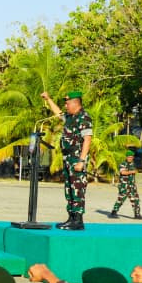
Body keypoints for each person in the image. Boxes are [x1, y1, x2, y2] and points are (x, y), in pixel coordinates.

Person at [41, 89, 93, 230]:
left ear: (76, 103)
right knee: (69, 188)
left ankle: (78, 220)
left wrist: (81, 161)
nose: (65, 106)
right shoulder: (70, 117)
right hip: (68, 157)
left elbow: (87, 139)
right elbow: (57, 113)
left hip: (76, 157)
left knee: (78, 188)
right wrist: (48, 99)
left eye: (67, 103)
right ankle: (71, 217)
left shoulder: (84, 117)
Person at [108, 148, 142, 219]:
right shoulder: (123, 164)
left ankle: (137, 214)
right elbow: (122, 172)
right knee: (121, 199)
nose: (130, 158)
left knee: (135, 199)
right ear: (126, 157)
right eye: (129, 157)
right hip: (124, 186)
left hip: (132, 186)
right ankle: (114, 212)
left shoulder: (133, 164)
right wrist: (131, 172)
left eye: (131, 157)